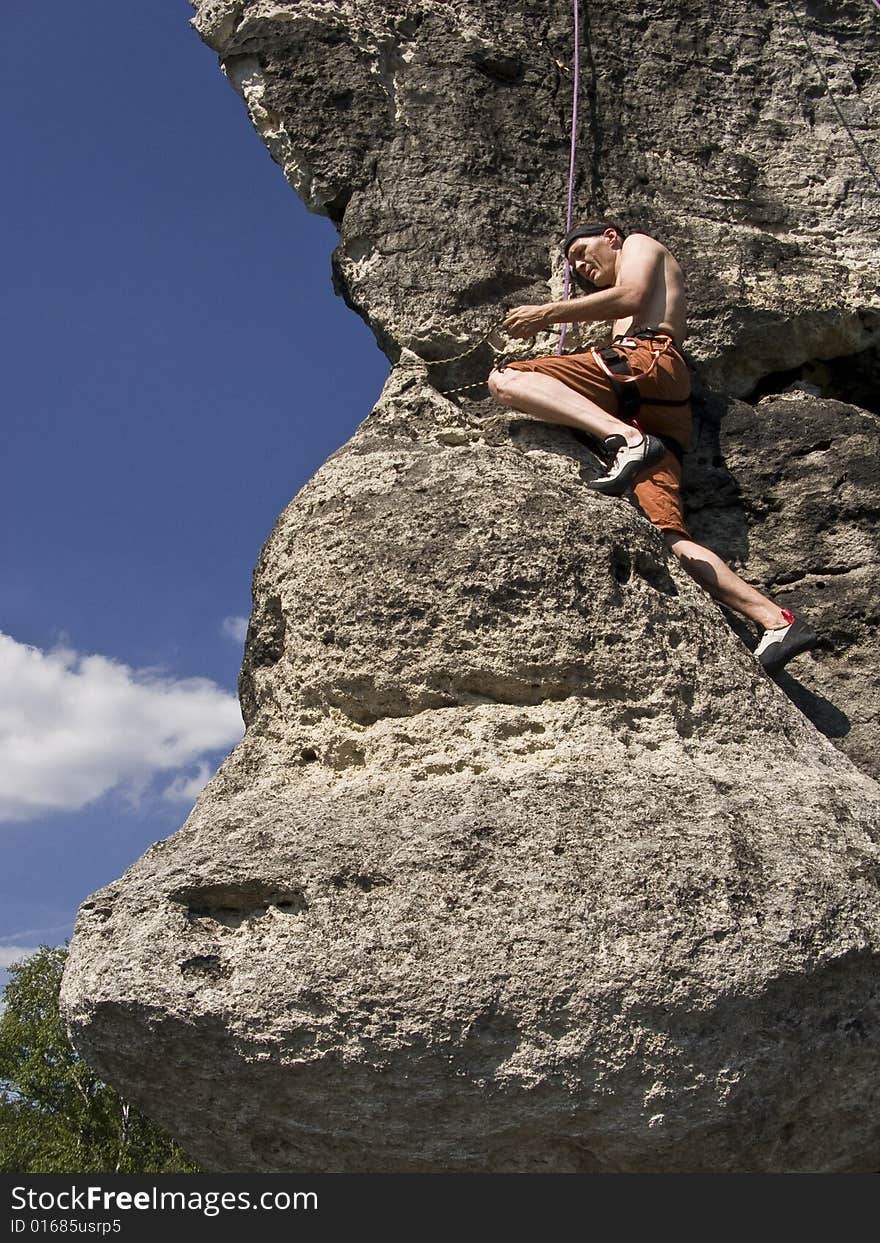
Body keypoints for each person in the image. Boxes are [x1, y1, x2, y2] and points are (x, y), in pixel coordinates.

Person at [486, 221, 817, 673]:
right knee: (667, 536)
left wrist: (545, 313)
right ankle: (775, 620)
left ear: (611, 236)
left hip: (646, 361)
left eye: (583, 251)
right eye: (575, 265)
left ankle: (626, 440)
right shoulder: (616, 292)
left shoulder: (640, 245)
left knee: (507, 377)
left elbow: (634, 297)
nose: (582, 266)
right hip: (657, 405)